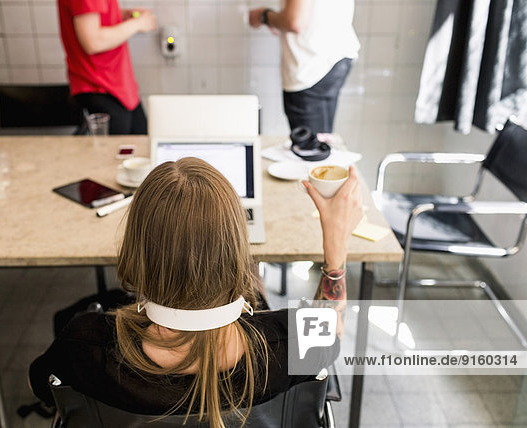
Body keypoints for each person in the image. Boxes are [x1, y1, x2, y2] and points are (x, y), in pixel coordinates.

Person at [29, 158, 362, 427]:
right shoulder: (289, 344)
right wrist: (336, 248)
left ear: (137, 249)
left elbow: (42, 387)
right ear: (235, 251)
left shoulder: (84, 346)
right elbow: (332, 326)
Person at [249, 0, 360, 134]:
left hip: (311, 65)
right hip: (334, 55)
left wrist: (264, 16)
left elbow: (294, 22)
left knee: (310, 148)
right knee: (321, 140)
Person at [57, 0, 157, 134]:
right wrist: (137, 24)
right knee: (118, 151)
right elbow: (93, 41)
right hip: (99, 85)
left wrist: (120, 15)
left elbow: (91, 15)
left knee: (141, 143)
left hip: (118, 86)